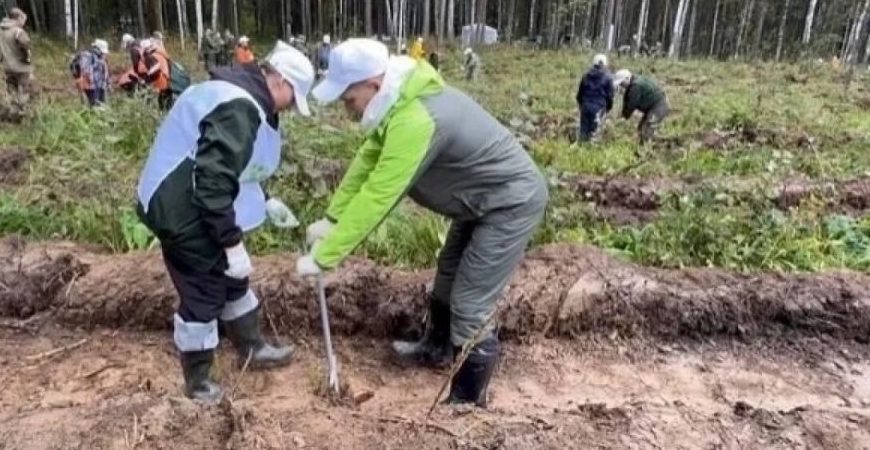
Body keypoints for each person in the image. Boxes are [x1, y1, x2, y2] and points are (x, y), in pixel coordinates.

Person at [296, 39, 548, 407]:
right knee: (447, 274)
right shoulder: (397, 101)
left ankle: (467, 399)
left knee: (471, 301)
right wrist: (332, 219)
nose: (346, 109)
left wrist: (327, 255)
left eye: (348, 99)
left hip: (509, 203)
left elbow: (380, 195)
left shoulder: (417, 119)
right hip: (478, 201)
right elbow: (368, 160)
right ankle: (435, 348)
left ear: (373, 85)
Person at [136, 41, 315, 402]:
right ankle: (198, 381)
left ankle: (251, 346)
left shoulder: (244, 97)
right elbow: (212, 181)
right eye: (293, 99)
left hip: (198, 198)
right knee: (204, 291)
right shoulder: (239, 107)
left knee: (234, 279)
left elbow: (234, 166)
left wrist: (265, 199)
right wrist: (232, 243)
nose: (292, 109)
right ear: (279, 81)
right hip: (180, 208)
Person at [0, 7, 34, 104]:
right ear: (18, 18)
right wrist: (26, 58)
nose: (23, 22)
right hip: (22, 67)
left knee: (11, 89)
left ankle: (11, 109)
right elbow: (25, 45)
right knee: (24, 90)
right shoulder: (18, 32)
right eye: (23, 19)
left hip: (7, 66)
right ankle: (22, 111)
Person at [614, 69, 670, 144]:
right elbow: (627, 99)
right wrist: (624, 115)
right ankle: (644, 145)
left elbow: (631, 104)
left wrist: (624, 117)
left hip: (659, 106)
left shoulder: (635, 86)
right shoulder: (634, 83)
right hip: (654, 106)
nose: (621, 86)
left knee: (647, 128)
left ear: (627, 78)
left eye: (622, 83)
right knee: (641, 128)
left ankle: (647, 149)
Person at [576, 54, 614, 143]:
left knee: (583, 130)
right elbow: (610, 96)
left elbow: (580, 94)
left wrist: (582, 105)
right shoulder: (608, 78)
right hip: (599, 107)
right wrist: (608, 108)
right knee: (594, 132)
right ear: (605, 64)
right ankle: (590, 151)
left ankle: (580, 149)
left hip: (585, 105)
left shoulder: (586, 76)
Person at [71, 39, 111, 107]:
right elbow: (86, 71)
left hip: (100, 85)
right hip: (91, 87)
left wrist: (108, 83)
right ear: (97, 49)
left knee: (101, 105)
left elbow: (106, 71)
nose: (104, 54)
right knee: (94, 105)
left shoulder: (101, 57)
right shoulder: (87, 56)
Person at [143, 38, 174, 110]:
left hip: (161, 77)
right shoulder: (160, 53)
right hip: (166, 76)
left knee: (162, 98)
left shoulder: (153, 55)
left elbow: (155, 68)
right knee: (167, 96)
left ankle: (165, 112)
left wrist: (147, 77)